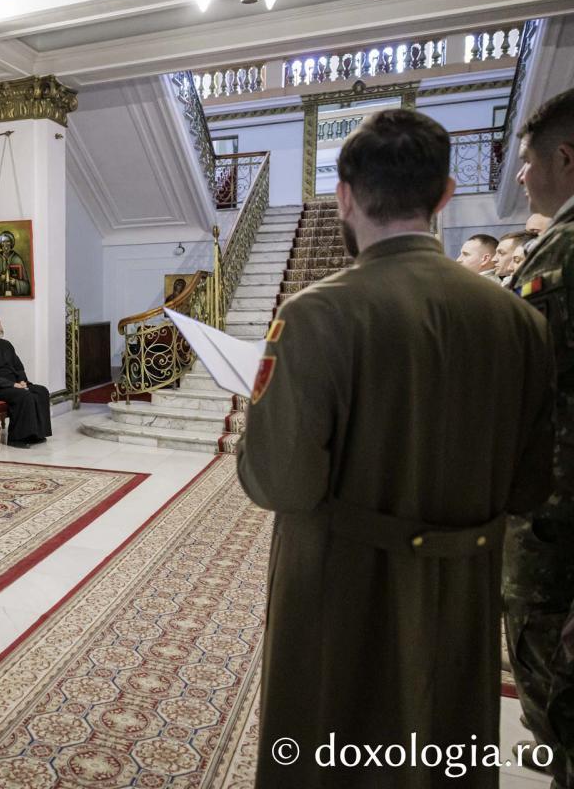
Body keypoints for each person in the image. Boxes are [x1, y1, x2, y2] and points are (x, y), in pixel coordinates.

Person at [238, 108, 555, 788]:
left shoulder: (315, 313)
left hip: (340, 587)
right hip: (462, 591)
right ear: (444, 195)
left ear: (343, 196)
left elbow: (280, 482)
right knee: (444, 743)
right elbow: (531, 486)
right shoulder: (520, 321)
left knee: (329, 748)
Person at [508, 87, 574, 784]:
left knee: (559, 686)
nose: (522, 176)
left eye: (528, 162)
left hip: (559, 526)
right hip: (552, 513)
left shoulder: (566, 249)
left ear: (565, 158)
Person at [0, 313, 51, 448]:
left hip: (12, 386)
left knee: (41, 391)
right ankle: (17, 438)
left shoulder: (6, 344)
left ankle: (36, 434)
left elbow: (18, 367)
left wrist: (22, 381)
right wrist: (13, 385)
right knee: (23, 395)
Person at [0, 231, 32, 297]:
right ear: (0, 244)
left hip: (16, 298)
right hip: (0, 299)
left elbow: (27, 287)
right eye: (3, 242)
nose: (6, 245)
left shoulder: (17, 259)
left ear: (11, 243)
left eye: (8, 241)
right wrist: (0, 279)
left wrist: (16, 282)